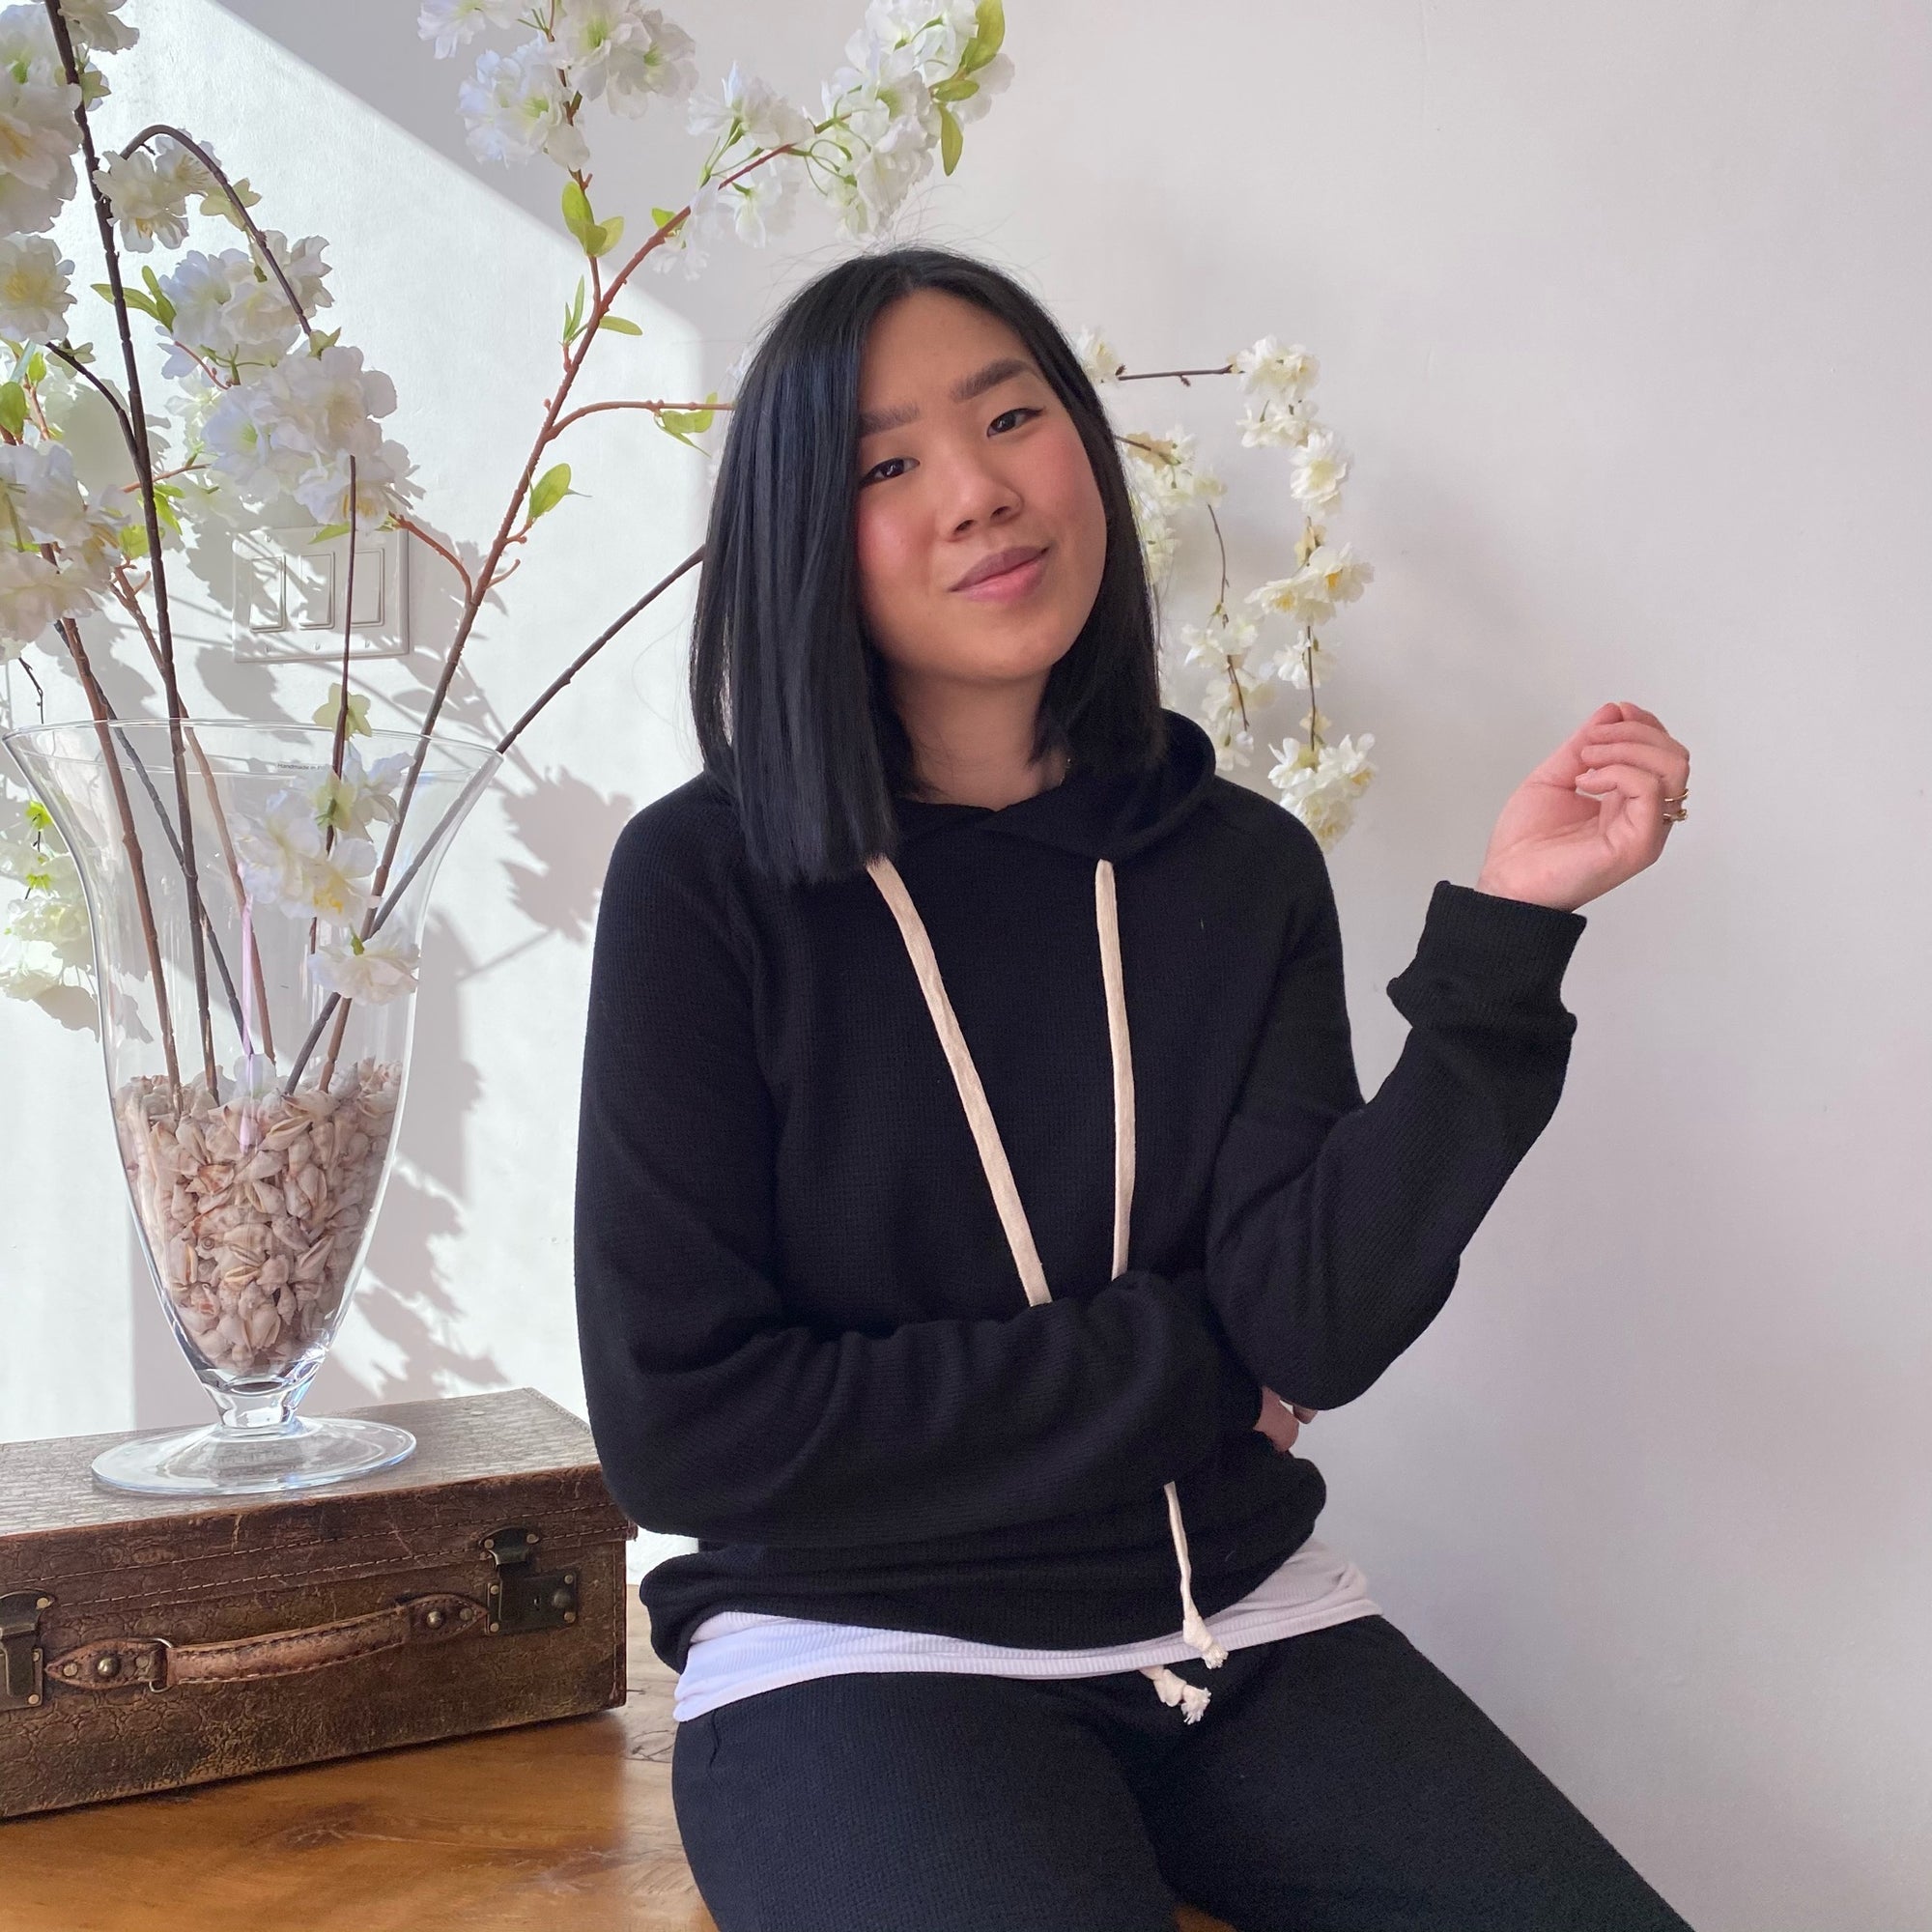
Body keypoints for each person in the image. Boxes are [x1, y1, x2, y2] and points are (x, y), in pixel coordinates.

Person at [574, 243, 1695, 1932]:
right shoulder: (706, 883)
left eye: (1010, 417)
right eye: (886, 466)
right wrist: (1192, 1360)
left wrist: (1509, 941)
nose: (976, 491)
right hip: (858, 1655)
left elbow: (1310, 1326)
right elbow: (686, 1430)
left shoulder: (1238, 866)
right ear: (803, 534)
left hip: (1237, 1619)